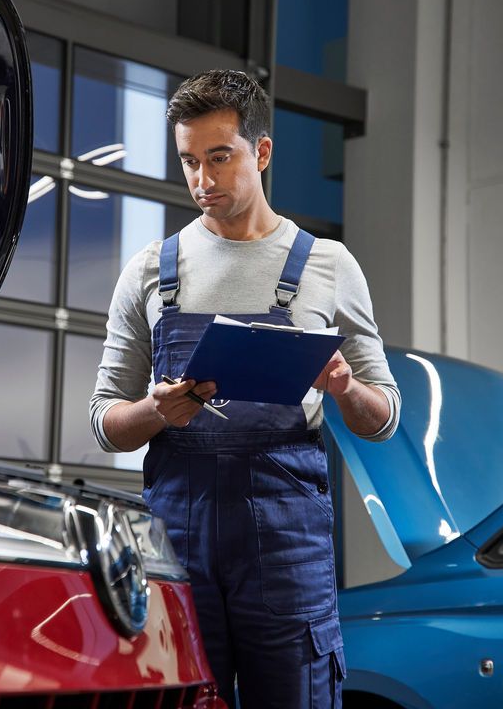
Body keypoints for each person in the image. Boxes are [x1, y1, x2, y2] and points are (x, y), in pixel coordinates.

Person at [89, 69, 399, 709]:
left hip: (287, 537)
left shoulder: (328, 265)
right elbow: (104, 420)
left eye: (220, 158)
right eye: (189, 162)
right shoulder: (150, 270)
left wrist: (342, 385)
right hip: (177, 531)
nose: (203, 181)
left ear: (261, 152)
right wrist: (155, 410)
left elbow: (384, 416)